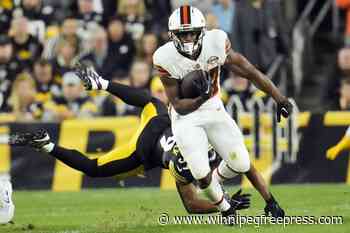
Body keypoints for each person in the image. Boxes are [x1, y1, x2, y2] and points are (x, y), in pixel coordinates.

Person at [10, 64, 284, 216]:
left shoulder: (194, 141)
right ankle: (47, 143)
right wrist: (221, 204)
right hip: (144, 151)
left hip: (158, 123)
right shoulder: (188, 165)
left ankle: (100, 85)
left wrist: (222, 202)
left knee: (152, 102)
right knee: (93, 168)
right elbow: (191, 205)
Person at [153, 5, 292, 217]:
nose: (188, 38)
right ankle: (226, 210)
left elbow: (250, 72)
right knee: (200, 171)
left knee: (241, 162)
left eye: (192, 33)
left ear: (202, 31)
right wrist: (202, 97)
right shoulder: (164, 57)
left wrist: (279, 98)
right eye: (183, 34)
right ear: (173, 35)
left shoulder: (215, 42)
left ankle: (258, 199)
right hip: (185, 117)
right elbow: (178, 104)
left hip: (214, 108)